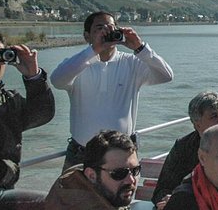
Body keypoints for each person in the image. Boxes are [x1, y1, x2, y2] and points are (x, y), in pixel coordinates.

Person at [51, 11, 174, 170]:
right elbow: (57, 80)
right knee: (74, 195)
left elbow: (166, 75)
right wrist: (94, 50)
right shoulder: (77, 65)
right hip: (82, 154)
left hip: (123, 153)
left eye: (111, 27)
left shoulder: (132, 63)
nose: (106, 32)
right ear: (87, 36)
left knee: (122, 195)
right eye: (100, 28)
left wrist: (140, 47)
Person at [152, 91, 218, 209]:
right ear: (197, 123)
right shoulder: (183, 148)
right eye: (214, 116)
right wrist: (168, 199)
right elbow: (162, 188)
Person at [0, 33, 55, 210]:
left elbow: (41, 115)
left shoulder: (9, 100)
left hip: (4, 186)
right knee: (55, 204)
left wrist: (33, 77)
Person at [45, 130, 140, 210]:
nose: (131, 180)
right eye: (119, 173)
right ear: (91, 175)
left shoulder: (72, 185)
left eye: (135, 170)